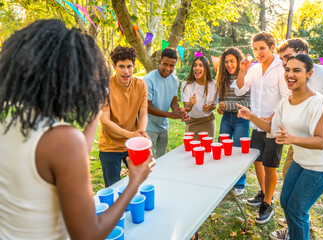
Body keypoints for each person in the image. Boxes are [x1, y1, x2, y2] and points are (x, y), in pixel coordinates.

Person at [0, 19, 155, 239]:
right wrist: (135, 181)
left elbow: (59, 166)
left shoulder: (12, 120)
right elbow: (89, 235)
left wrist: (92, 117)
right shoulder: (62, 139)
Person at [237, 54, 323, 240]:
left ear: (309, 74)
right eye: (287, 69)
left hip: (321, 168)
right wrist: (250, 116)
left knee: (297, 209)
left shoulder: (317, 103)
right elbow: (271, 128)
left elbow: (322, 140)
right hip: (300, 162)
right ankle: (293, 234)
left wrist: (292, 138)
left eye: (297, 70)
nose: (290, 74)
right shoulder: (285, 102)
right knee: (285, 201)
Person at [272, 38, 323, 231]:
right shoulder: (291, 76)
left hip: (319, 143)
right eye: (283, 60)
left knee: (298, 204)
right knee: (289, 196)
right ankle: (295, 226)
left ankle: (297, 225)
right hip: (297, 140)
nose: (284, 64)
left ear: (303, 52)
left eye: (287, 57)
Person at [235, 32, 291, 223]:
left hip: (274, 126)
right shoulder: (254, 69)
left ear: (272, 47)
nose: (258, 52)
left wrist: (273, 117)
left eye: (262, 48)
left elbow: (286, 98)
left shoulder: (280, 69)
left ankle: (268, 203)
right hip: (256, 123)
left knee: (269, 165)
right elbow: (240, 89)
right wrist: (242, 70)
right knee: (257, 161)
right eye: (255, 49)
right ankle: (264, 193)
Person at [99, 46, 149, 187]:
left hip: (133, 145)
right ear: (114, 66)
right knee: (113, 186)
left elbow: (144, 112)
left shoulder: (141, 85)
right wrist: (131, 135)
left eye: (129, 66)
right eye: (121, 66)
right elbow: (104, 121)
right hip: (110, 147)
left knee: (141, 181)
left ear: (134, 66)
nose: (126, 71)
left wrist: (141, 132)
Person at [216, 47, 251, 195]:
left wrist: (227, 105)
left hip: (241, 119)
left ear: (238, 61)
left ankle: (239, 183)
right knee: (222, 149)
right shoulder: (223, 78)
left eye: (232, 61)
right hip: (226, 118)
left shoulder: (246, 77)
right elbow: (221, 98)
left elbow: (248, 101)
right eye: (226, 62)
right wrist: (220, 106)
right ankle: (224, 180)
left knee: (238, 152)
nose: (229, 65)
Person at [144, 48, 190, 158]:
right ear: (159, 62)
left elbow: (173, 102)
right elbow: (146, 107)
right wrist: (169, 115)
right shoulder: (148, 80)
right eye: (165, 64)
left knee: (161, 158)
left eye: (172, 66)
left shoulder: (174, 80)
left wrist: (179, 112)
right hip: (149, 126)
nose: (168, 69)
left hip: (163, 126)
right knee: (150, 160)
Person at [181, 56, 218, 139]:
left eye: (201, 65)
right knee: (192, 150)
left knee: (207, 150)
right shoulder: (187, 85)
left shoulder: (213, 85)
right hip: (192, 122)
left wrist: (209, 108)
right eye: (195, 65)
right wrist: (191, 103)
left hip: (208, 121)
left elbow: (214, 105)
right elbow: (186, 109)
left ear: (206, 68)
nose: (197, 68)